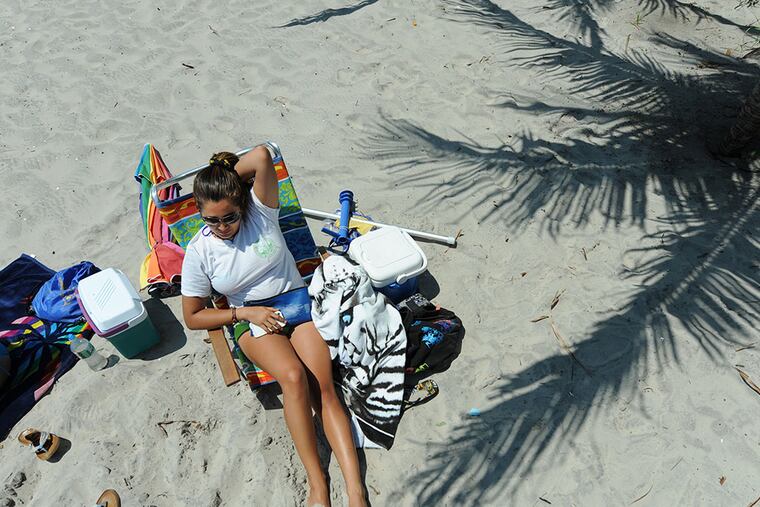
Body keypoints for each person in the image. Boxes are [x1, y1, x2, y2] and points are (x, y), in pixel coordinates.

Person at [181, 146, 367, 507]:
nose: (222, 227)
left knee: (323, 388)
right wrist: (243, 315)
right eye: (211, 220)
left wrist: (224, 174)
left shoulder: (261, 211)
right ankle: (318, 483)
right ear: (200, 215)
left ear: (241, 204)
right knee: (294, 378)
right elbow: (193, 316)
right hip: (250, 319)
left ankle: (356, 491)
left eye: (229, 217)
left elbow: (263, 156)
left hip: (296, 305)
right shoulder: (199, 251)